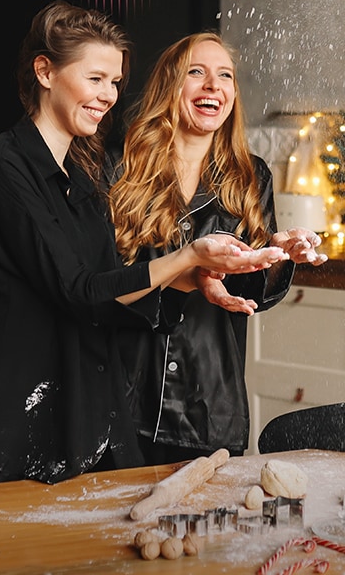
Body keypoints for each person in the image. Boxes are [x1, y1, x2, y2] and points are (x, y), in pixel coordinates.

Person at [0, 4, 287, 488]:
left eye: (114, 82)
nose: (108, 96)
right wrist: (189, 258)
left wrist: (193, 281)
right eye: (96, 78)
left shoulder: (79, 175)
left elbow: (108, 293)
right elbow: (80, 290)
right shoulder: (2, 169)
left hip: (63, 417)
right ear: (44, 71)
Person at [108, 31, 326, 465]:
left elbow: (252, 296)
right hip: (122, 396)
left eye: (224, 75)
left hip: (207, 404)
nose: (213, 85)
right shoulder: (119, 166)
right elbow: (99, 285)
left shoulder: (250, 175)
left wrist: (276, 254)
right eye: (197, 72)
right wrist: (187, 273)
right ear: (170, 86)